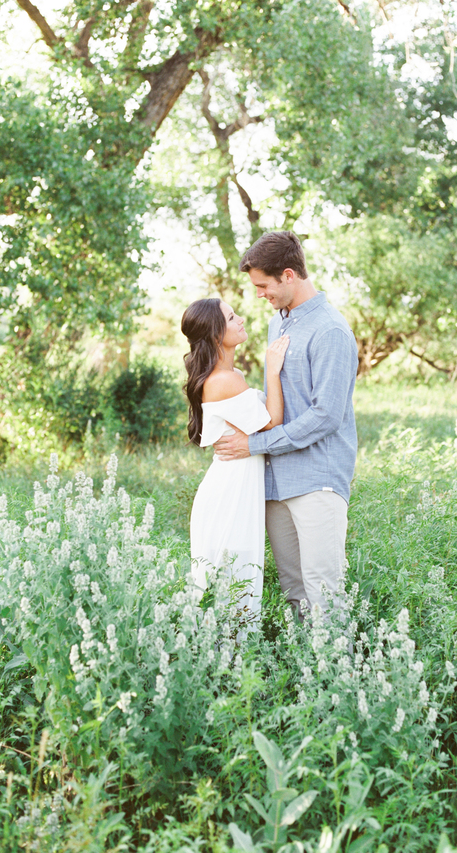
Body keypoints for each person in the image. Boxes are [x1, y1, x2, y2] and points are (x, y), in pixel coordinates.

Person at [213, 231, 358, 618]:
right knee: (294, 592)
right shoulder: (280, 322)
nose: (260, 294)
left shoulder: (330, 331)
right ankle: (305, 675)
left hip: (316, 480)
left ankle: (337, 676)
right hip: (277, 482)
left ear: (289, 275)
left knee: (325, 592)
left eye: (263, 286)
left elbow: (326, 416)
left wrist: (254, 445)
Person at [181, 297, 289, 623]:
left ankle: (230, 663)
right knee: (233, 580)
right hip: (229, 493)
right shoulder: (225, 381)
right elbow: (272, 421)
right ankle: (224, 663)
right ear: (216, 334)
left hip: (235, 484)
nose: (240, 318)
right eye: (231, 317)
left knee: (236, 580)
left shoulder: (231, 374)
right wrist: (272, 368)